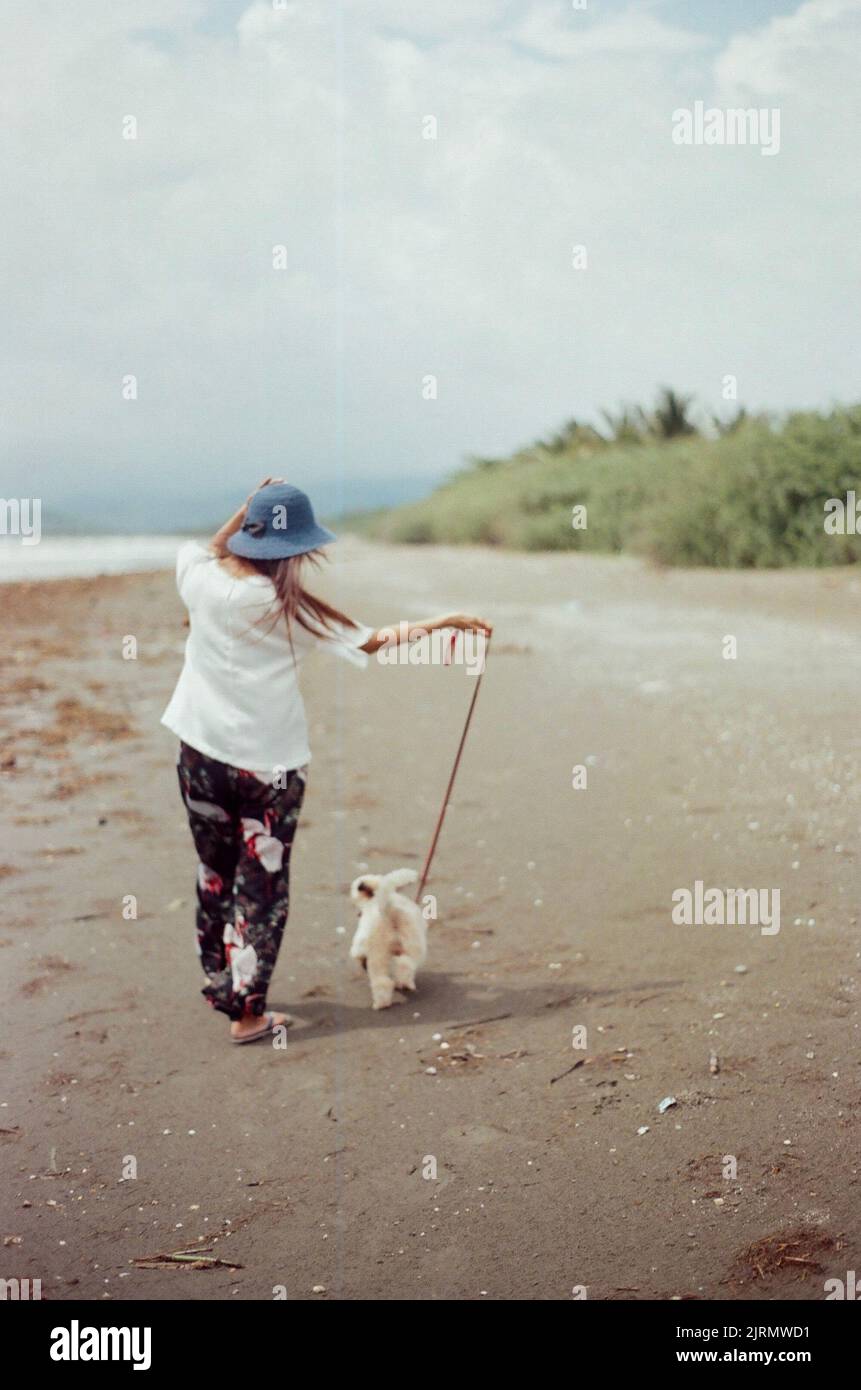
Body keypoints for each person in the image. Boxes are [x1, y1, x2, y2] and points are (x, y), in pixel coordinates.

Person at [161, 479, 492, 1043]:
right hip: (271, 770)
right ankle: (248, 1014)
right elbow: (372, 641)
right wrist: (442, 623)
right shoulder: (289, 608)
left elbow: (212, 548)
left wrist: (242, 512)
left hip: (200, 755)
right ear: (298, 550)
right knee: (261, 887)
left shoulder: (200, 578)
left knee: (214, 872)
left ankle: (224, 986)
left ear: (248, 530)